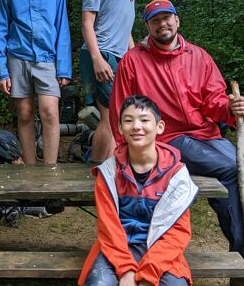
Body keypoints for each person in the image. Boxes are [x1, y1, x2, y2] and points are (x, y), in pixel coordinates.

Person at [110, 0, 244, 284]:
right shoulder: (134, 60)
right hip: (167, 139)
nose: (163, 24)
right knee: (233, 172)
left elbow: (214, 101)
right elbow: (120, 108)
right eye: (155, 20)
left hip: (208, 135)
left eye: (167, 18)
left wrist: (231, 109)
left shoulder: (199, 56)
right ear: (147, 26)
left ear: (177, 20)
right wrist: (125, 150)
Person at [79, 95, 196, 286]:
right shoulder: (109, 173)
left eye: (144, 120)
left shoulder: (176, 175)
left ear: (160, 127)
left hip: (160, 250)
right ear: (119, 128)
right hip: (115, 249)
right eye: (128, 120)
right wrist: (126, 271)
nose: (136, 126)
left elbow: (178, 232)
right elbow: (108, 228)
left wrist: (148, 274)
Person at [0, 0, 71, 164]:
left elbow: (62, 27)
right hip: (17, 58)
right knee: (25, 115)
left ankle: (50, 170)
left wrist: (63, 67)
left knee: (50, 112)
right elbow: (0, 31)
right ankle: (30, 172)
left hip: (47, 59)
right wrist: (2, 70)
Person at [80, 0, 136, 163]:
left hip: (119, 55)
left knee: (115, 116)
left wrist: (134, 58)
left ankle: (105, 169)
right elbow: (87, 22)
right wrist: (97, 58)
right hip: (101, 52)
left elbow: (124, 27)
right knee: (111, 116)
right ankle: (99, 171)